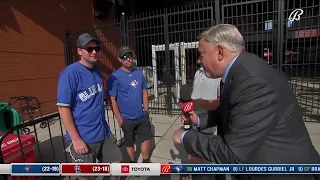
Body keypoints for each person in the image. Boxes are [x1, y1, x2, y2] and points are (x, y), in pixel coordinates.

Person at [173, 24, 320, 180]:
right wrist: (199, 119)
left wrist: (185, 137)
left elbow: (232, 153)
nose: (198, 60)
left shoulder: (252, 82)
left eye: (202, 53)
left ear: (220, 51)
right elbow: (235, 112)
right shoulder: (241, 71)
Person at [57, 33, 122, 180]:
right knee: (87, 176)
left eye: (96, 48)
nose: (94, 52)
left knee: (116, 165)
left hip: (103, 131)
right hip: (84, 136)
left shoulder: (97, 71)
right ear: (80, 51)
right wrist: (76, 139)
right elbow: (63, 108)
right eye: (89, 48)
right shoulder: (70, 74)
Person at [108, 46, 152, 163]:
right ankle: (133, 163)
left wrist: (146, 111)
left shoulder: (139, 74)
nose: (128, 59)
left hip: (142, 116)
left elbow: (144, 93)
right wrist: (119, 118)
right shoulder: (115, 76)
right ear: (119, 59)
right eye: (125, 57)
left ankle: (146, 162)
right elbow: (112, 99)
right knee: (130, 143)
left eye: (130, 56)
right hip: (126, 118)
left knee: (146, 139)